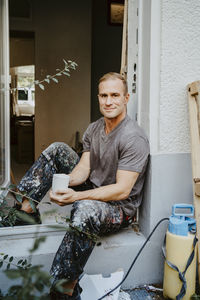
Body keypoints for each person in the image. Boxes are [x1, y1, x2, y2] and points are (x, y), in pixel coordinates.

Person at [7, 72, 150, 299]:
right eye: (104, 95)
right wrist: (66, 185)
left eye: (115, 95)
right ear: (98, 97)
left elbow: (122, 189)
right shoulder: (94, 129)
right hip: (95, 189)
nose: (108, 101)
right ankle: (27, 212)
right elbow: (83, 169)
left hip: (119, 208)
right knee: (57, 149)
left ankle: (64, 290)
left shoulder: (134, 138)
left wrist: (76, 198)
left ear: (126, 98)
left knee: (84, 209)